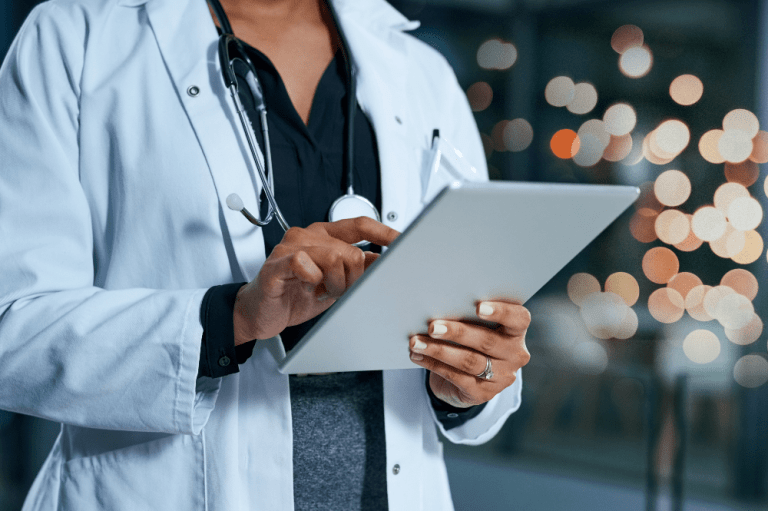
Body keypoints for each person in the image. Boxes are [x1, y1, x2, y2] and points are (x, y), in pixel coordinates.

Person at [0, 0, 532, 508]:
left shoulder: (422, 72)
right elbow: (13, 328)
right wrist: (232, 318)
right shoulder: (76, 40)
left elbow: (471, 334)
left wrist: (469, 379)